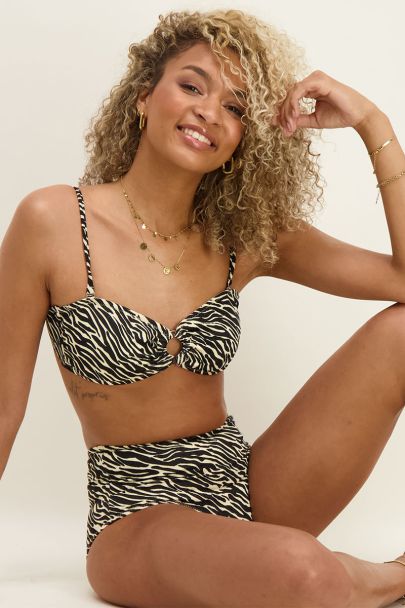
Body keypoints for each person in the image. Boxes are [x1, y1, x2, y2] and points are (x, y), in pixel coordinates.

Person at [1, 7, 405, 607]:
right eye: (193, 86)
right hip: (135, 519)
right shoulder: (52, 221)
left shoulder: (242, 237)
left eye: (236, 108)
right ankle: (385, 576)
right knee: (307, 573)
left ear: (242, 139)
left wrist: (373, 122)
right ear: (144, 96)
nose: (210, 112)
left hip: (246, 487)